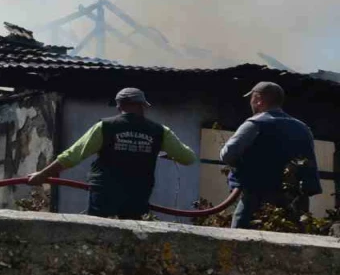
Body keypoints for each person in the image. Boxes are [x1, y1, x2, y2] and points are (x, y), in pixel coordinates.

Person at [27, 88, 196, 219]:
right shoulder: (160, 131)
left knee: (98, 236)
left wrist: (42, 175)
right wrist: (165, 151)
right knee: (129, 239)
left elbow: (72, 156)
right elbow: (188, 158)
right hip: (137, 195)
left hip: (104, 194)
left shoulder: (105, 127)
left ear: (119, 105)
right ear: (143, 105)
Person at [220, 81, 321, 229]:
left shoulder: (255, 124)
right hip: (294, 200)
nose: (251, 103)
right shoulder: (303, 128)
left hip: (256, 197)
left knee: (239, 242)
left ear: (259, 100)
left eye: (252, 98)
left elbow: (228, 154)